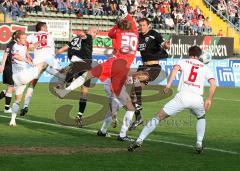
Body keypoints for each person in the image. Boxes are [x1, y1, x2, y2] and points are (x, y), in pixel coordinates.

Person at [54, 5, 139, 141]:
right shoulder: (135, 33)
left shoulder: (118, 31)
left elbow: (111, 33)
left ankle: (65, 91)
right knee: (129, 107)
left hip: (115, 63)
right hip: (124, 68)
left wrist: (118, 22)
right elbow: (131, 23)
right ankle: (122, 135)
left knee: (88, 74)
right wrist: (126, 14)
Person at [128, 46, 216, 153]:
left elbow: (175, 69)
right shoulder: (205, 67)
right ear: (199, 55)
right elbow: (213, 83)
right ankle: (199, 142)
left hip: (182, 97)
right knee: (201, 117)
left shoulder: (184, 61)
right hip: (197, 99)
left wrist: (168, 85)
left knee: (158, 116)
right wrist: (209, 99)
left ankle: (139, 140)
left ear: (190, 53)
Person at [129, 17, 170, 130]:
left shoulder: (154, 34)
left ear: (148, 25)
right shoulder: (139, 36)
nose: (141, 27)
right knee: (131, 93)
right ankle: (138, 118)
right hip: (143, 66)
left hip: (153, 68)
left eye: (143, 25)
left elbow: (163, 44)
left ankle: (139, 104)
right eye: (140, 25)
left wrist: (166, 45)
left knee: (135, 77)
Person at [56, 27, 98, 128]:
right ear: (91, 32)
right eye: (95, 33)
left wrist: (58, 52)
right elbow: (81, 34)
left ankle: (79, 116)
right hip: (84, 63)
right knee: (84, 91)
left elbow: (66, 47)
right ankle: (64, 85)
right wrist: (82, 34)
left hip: (76, 62)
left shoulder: (75, 39)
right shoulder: (88, 37)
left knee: (84, 92)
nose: (95, 35)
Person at [20, 21, 64, 116]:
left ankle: (25, 106)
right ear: (43, 28)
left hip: (38, 62)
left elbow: (24, 43)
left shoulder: (32, 35)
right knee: (64, 75)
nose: (47, 28)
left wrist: (28, 52)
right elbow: (53, 50)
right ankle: (60, 89)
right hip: (49, 61)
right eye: (46, 27)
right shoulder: (50, 35)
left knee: (32, 84)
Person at [9, 31, 47, 126]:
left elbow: (31, 46)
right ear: (17, 39)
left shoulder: (24, 44)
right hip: (22, 75)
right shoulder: (16, 46)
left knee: (18, 100)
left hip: (18, 78)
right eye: (23, 38)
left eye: (25, 38)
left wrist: (40, 41)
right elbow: (16, 56)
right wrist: (27, 60)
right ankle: (66, 78)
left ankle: (12, 120)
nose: (25, 40)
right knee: (44, 63)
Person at [0, 30, 20, 113]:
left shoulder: (20, 45)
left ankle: (7, 108)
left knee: (14, 88)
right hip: (9, 67)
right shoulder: (12, 44)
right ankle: (7, 108)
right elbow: (6, 53)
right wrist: (2, 65)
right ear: (16, 36)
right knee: (11, 87)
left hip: (15, 68)